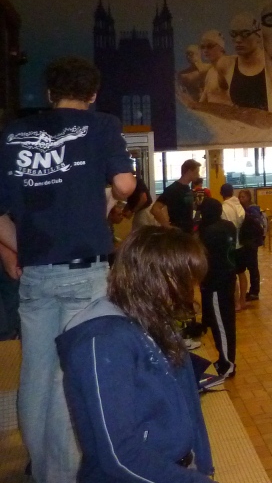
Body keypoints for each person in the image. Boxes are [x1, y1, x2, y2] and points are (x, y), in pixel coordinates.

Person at [0, 56, 136, 483]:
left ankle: (40, 466)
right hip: (83, 273)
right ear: (92, 94)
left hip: (36, 275)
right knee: (68, 376)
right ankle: (58, 475)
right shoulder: (101, 125)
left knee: (35, 372)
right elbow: (125, 184)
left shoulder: (13, 133)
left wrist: (25, 248)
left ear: (49, 93)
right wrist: (116, 194)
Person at [55, 225, 215, 482]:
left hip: (176, 470)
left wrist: (203, 465)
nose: (190, 293)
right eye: (185, 281)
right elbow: (120, 455)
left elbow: (188, 404)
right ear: (156, 279)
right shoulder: (103, 343)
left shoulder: (155, 321)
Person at [197, 197, 237, 379]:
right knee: (223, 322)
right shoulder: (229, 226)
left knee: (221, 325)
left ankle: (227, 364)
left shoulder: (209, 232)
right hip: (227, 279)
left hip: (215, 284)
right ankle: (223, 359)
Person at [152, 159, 202, 233]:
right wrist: (167, 226)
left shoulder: (187, 188)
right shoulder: (173, 189)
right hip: (178, 231)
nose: (198, 175)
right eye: (196, 172)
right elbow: (155, 209)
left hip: (188, 230)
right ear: (189, 172)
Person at [220, 183, 247, 310]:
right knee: (241, 273)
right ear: (233, 192)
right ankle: (243, 300)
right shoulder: (239, 205)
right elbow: (241, 220)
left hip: (229, 246)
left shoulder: (223, 208)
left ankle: (236, 303)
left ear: (221, 194)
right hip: (240, 244)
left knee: (232, 275)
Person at [236, 190, 265, 302]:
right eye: (240, 197)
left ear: (248, 197)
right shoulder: (244, 209)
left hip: (251, 242)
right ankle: (253, 291)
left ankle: (254, 291)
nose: (241, 199)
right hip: (247, 241)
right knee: (250, 267)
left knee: (253, 268)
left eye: (243, 197)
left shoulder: (252, 210)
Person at [197, 30, 231, 104]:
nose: (205, 50)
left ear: (221, 48)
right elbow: (203, 101)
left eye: (210, 46)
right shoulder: (211, 71)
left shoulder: (230, 67)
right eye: (202, 47)